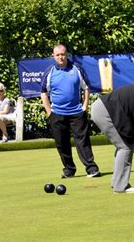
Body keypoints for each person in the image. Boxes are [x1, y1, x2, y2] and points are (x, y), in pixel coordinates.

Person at [41, 44, 100, 178]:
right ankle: (69, 170)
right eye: (58, 55)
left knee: (83, 141)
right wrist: (49, 111)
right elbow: (43, 92)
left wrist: (85, 106)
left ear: (67, 54)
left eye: (63, 54)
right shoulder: (49, 72)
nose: (60, 57)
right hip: (57, 114)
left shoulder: (77, 68)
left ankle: (91, 168)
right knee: (62, 143)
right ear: (53, 56)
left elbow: (86, 88)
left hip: (77, 113)